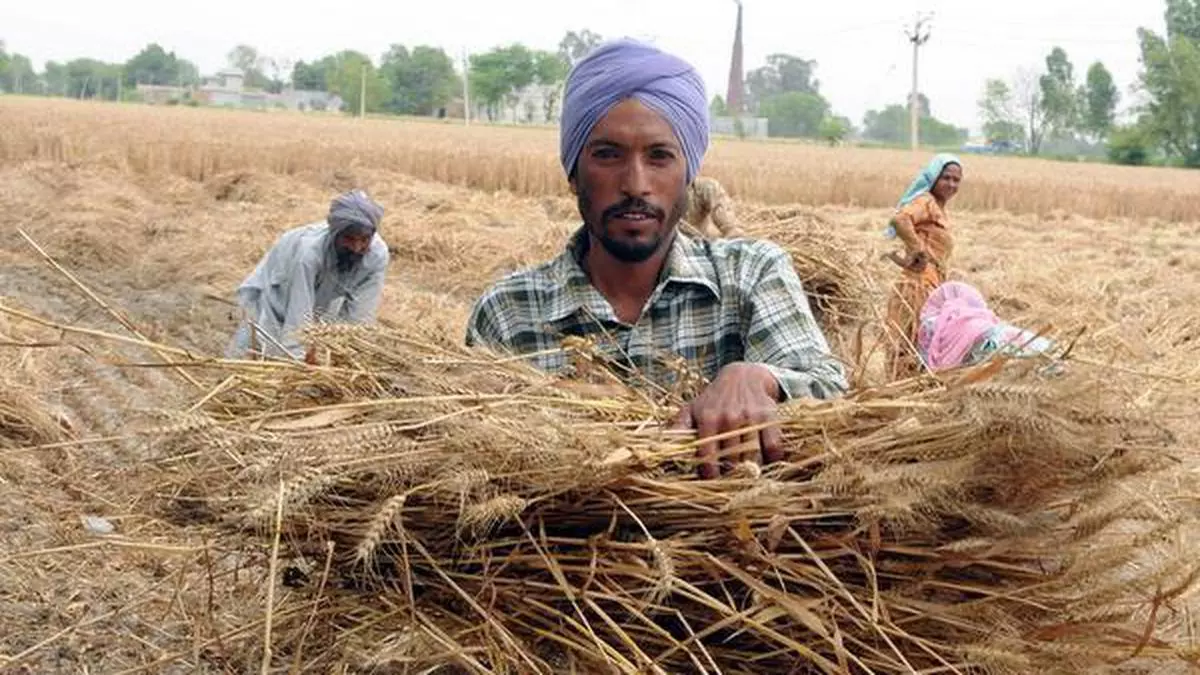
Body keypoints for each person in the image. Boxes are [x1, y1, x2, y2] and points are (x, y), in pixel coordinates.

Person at [464, 39, 848, 478]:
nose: (636, 184)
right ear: (573, 173)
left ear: (689, 175)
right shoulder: (509, 312)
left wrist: (757, 378)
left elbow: (832, 392)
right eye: (607, 155)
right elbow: (473, 456)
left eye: (660, 156)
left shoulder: (751, 275)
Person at [226, 190, 389, 362]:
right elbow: (298, 315)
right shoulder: (308, 254)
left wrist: (347, 357)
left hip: (326, 290)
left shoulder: (376, 256)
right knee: (264, 339)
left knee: (322, 336)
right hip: (281, 280)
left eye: (364, 240)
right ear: (335, 234)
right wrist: (297, 364)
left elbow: (360, 315)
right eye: (349, 239)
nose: (356, 247)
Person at [881, 153, 962, 379]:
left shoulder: (937, 207)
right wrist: (917, 249)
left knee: (921, 344)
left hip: (931, 284)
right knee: (908, 342)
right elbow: (900, 220)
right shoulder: (925, 201)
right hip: (916, 286)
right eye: (946, 178)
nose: (951, 184)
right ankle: (898, 392)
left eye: (956, 180)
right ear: (933, 177)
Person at [917, 282, 1055, 370]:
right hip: (1000, 341)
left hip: (988, 348)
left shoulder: (933, 323)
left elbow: (926, 353)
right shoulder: (981, 315)